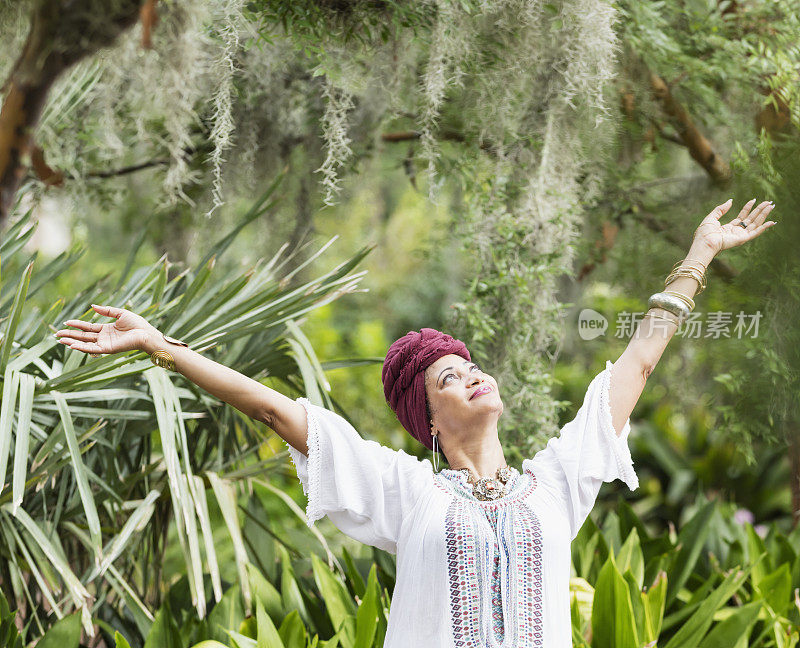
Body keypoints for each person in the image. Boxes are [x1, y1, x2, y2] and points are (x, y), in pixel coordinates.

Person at [56, 199, 776, 647]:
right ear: (427, 418)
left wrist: (699, 253)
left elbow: (639, 363)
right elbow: (275, 408)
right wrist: (161, 346)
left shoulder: (556, 480)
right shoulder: (405, 490)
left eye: (470, 364)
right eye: (448, 377)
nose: (471, 374)